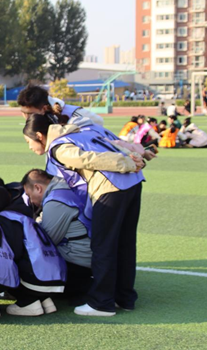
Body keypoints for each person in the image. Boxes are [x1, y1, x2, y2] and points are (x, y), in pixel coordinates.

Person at [22, 113, 145, 317]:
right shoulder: (78, 132)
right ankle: (125, 298)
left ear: (39, 135)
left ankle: (102, 303)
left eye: (29, 142)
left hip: (111, 187)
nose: (30, 147)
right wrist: (133, 161)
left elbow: (89, 159)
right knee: (125, 244)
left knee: (102, 245)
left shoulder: (60, 146)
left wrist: (127, 163)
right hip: (133, 183)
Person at [0, 186, 67, 317]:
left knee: (4, 262)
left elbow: (13, 252)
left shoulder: (5, 219)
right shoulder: (21, 216)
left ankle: (28, 302)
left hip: (36, 279)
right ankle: (44, 300)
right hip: (57, 276)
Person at [21, 169, 93, 299]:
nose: (31, 201)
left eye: (29, 195)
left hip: (79, 264)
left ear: (37, 188)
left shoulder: (56, 201)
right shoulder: (67, 188)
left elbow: (46, 242)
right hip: (91, 257)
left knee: (27, 261)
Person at [17, 85, 104, 127]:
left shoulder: (75, 115)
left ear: (43, 109)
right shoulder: (42, 118)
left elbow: (99, 122)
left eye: (30, 114)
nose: (26, 118)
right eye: (23, 113)